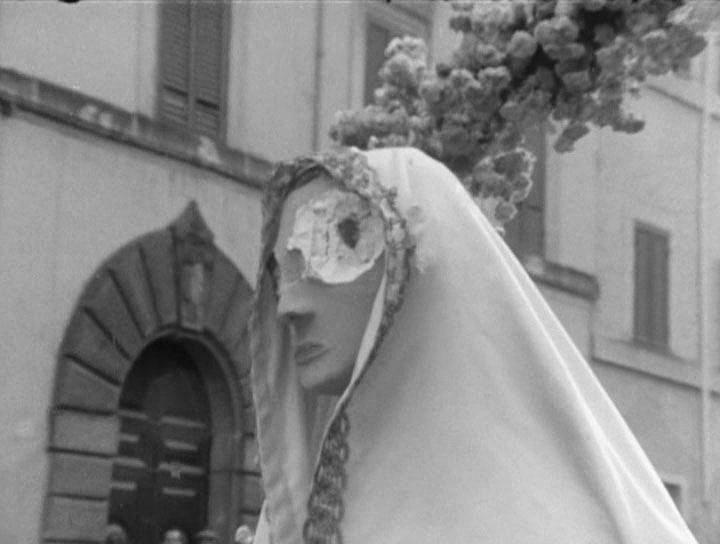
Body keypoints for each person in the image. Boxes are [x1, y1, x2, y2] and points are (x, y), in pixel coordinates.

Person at [249, 147, 697, 544]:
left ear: (412, 269)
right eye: (279, 276)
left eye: (330, 249)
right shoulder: (303, 508)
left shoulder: (557, 520)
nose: (288, 306)